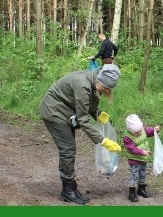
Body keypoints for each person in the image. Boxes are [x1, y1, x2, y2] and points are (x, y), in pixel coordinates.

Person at [38, 64, 123, 204]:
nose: (107, 90)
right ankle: (67, 189)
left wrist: (98, 114)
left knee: (70, 148)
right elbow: (83, 119)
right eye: (107, 87)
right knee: (68, 149)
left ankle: (70, 184)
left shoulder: (93, 78)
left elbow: (87, 103)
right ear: (100, 80)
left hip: (65, 111)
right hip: (54, 112)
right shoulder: (82, 84)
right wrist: (102, 141)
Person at [122, 114, 162, 202]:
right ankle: (132, 192)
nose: (139, 133)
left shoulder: (142, 129)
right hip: (134, 160)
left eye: (140, 131)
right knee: (134, 174)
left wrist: (155, 130)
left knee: (143, 174)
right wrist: (142, 152)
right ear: (130, 131)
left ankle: (141, 189)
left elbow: (149, 132)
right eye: (136, 133)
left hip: (143, 158)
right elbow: (131, 148)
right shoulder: (127, 137)